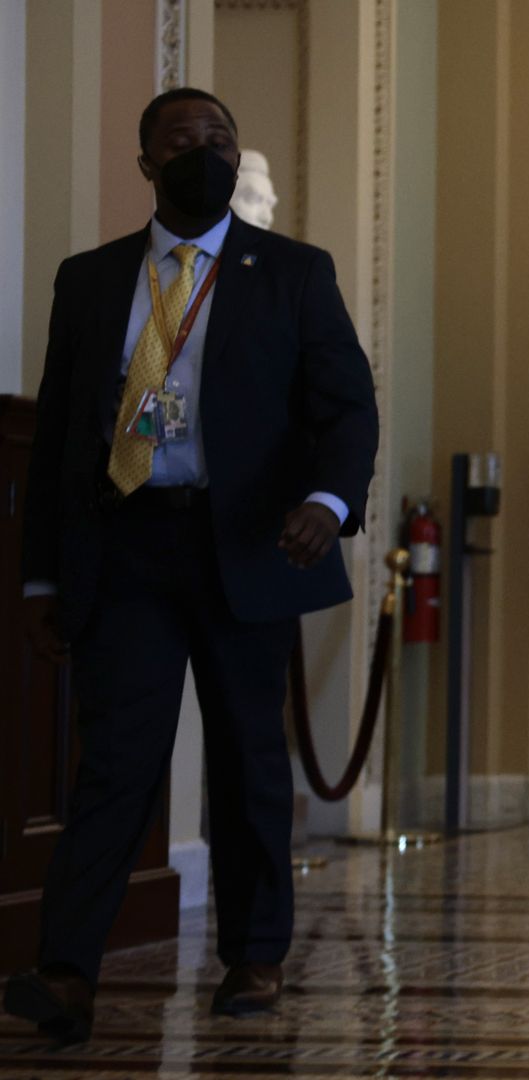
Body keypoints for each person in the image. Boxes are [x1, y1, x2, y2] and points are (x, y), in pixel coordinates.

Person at [6, 88, 378, 1043]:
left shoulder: (292, 272)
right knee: (113, 766)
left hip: (248, 545)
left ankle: (254, 959)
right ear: (147, 164)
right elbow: (54, 446)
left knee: (247, 757)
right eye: (184, 141)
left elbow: (347, 407)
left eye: (221, 140)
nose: (204, 153)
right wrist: (40, 577)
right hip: (126, 546)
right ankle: (67, 972)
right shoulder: (89, 281)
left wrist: (328, 504)